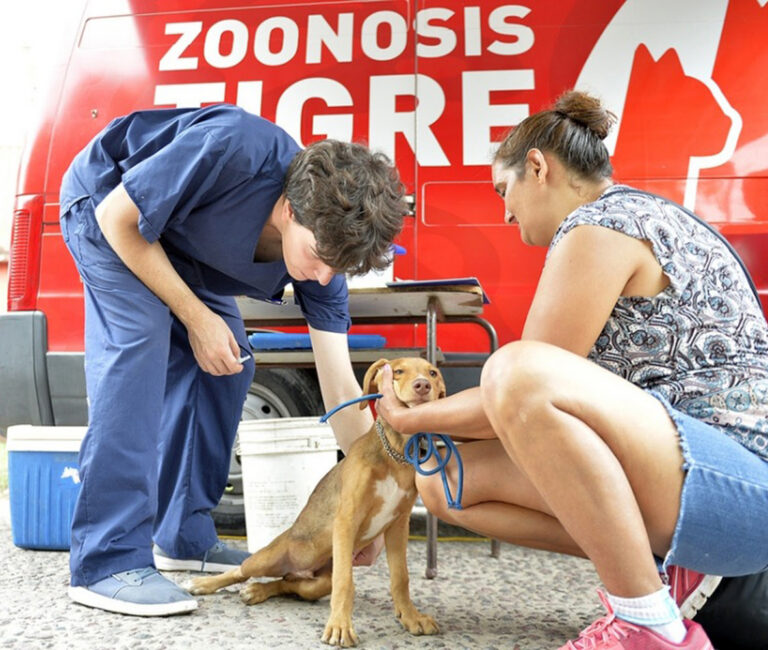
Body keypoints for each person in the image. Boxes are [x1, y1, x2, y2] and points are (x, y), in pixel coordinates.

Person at [376, 90, 768, 649]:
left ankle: (646, 625)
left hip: (744, 482)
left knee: (519, 370)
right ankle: (656, 578)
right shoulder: (638, 214)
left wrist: (407, 419)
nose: (505, 212)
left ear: (538, 167)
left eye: (503, 190)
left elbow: (517, 388)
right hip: (700, 476)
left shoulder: (602, 225)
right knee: (444, 481)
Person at [59, 103, 406, 616]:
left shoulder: (328, 262)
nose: (327, 277)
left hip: (185, 254)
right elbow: (120, 219)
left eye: (342, 267)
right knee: (139, 352)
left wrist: (368, 505)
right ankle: (104, 560)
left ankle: (182, 535)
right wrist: (197, 320)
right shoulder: (233, 148)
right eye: (319, 256)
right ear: (289, 211)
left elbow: (341, 390)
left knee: (231, 364)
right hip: (110, 212)